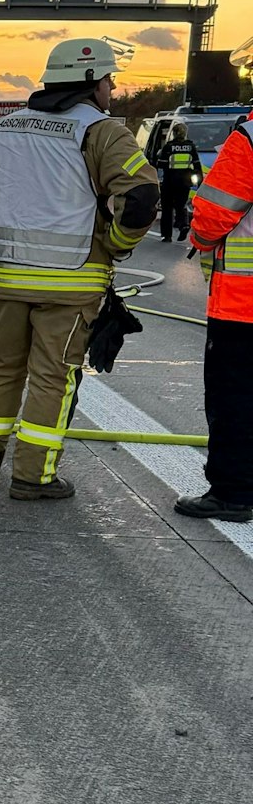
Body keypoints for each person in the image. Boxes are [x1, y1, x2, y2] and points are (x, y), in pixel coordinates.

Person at [0, 38, 159, 501]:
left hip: (9, 280)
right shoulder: (101, 133)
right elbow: (140, 198)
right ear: (91, 83)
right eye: (108, 80)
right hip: (73, 283)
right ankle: (33, 477)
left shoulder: (5, 127)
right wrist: (115, 246)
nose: (112, 89)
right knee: (52, 378)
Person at [177, 117, 253, 520]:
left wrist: (201, 240)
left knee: (235, 398)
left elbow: (213, 214)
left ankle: (233, 492)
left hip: (244, 306)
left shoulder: (250, 138)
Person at [152, 121, 205, 243]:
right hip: (185, 182)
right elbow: (197, 165)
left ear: (174, 133)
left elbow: (161, 165)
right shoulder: (191, 147)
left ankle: (167, 235)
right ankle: (184, 225)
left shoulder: (168, 147)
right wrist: (200, 182)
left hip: (170, 181)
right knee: (181, 205)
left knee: (167, 208)